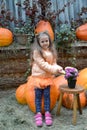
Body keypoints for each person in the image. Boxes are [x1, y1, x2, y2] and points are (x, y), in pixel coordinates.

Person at [28, 31, 65, 127]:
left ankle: (48, 112)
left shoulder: (51, 51)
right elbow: (43, 65)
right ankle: (38, 113)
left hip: (48, 78)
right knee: (38, 97)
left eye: (46, 41)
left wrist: (58, 68)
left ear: (49, 41)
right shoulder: (37, 52)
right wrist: (54, 70)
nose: (45, 43)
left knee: (47, 96)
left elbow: (53, 64)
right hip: (38, 78)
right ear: (38, 43)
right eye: (42, 41)